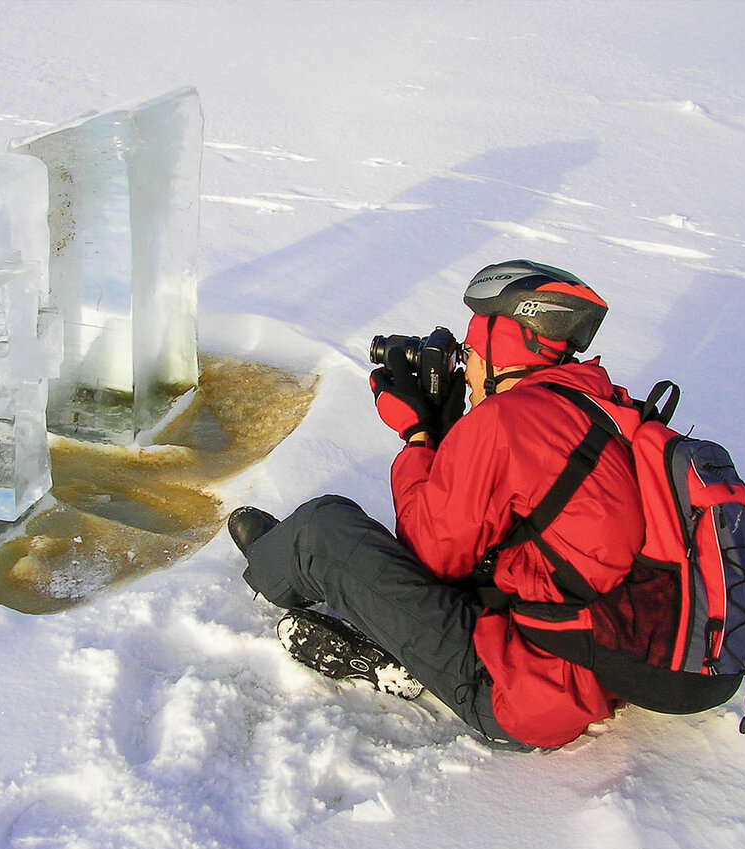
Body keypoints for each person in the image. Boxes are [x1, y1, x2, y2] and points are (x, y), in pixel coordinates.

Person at [226, 260, 645, 749]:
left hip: (525, 697)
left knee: (324, 529)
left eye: (471, 351)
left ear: (498, 348)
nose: (466, 368)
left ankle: (277, 563)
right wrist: (451, 436)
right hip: (603, 658)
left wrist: (419, 437)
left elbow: (429, 556)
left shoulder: (506, 424)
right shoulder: (602, 404)